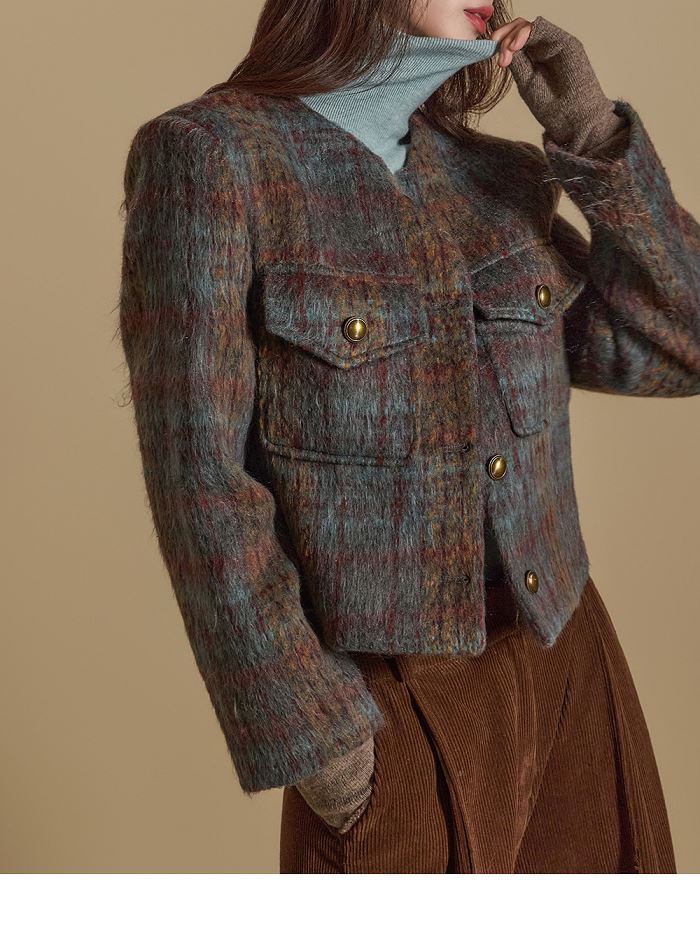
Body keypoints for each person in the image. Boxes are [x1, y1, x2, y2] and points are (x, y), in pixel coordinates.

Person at [118, 0, 699, 872]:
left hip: (570, 662)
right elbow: (198, 477)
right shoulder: (211, 158)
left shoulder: (493, 174)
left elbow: (680, 345)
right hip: (389, 706)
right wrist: (324, 745)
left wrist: (592, 135)